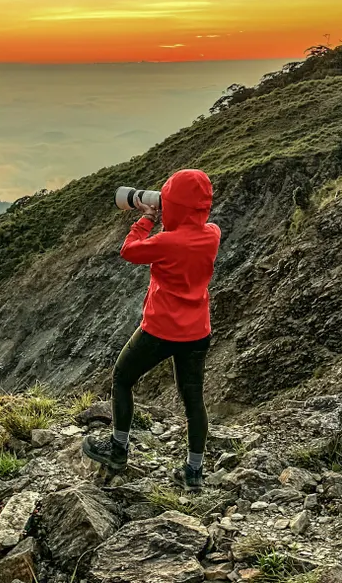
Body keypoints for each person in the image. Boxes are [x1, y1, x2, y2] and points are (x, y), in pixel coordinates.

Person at [82, 168, 221, 492]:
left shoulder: (166, 241)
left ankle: (117, 450)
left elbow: (129, 250)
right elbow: (197, 224)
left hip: (160, 330)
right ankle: (194, 472)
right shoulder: (212, 234)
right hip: (197, 332)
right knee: (193, 400)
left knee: (122, 378)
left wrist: (146, 217)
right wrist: (175, 214)